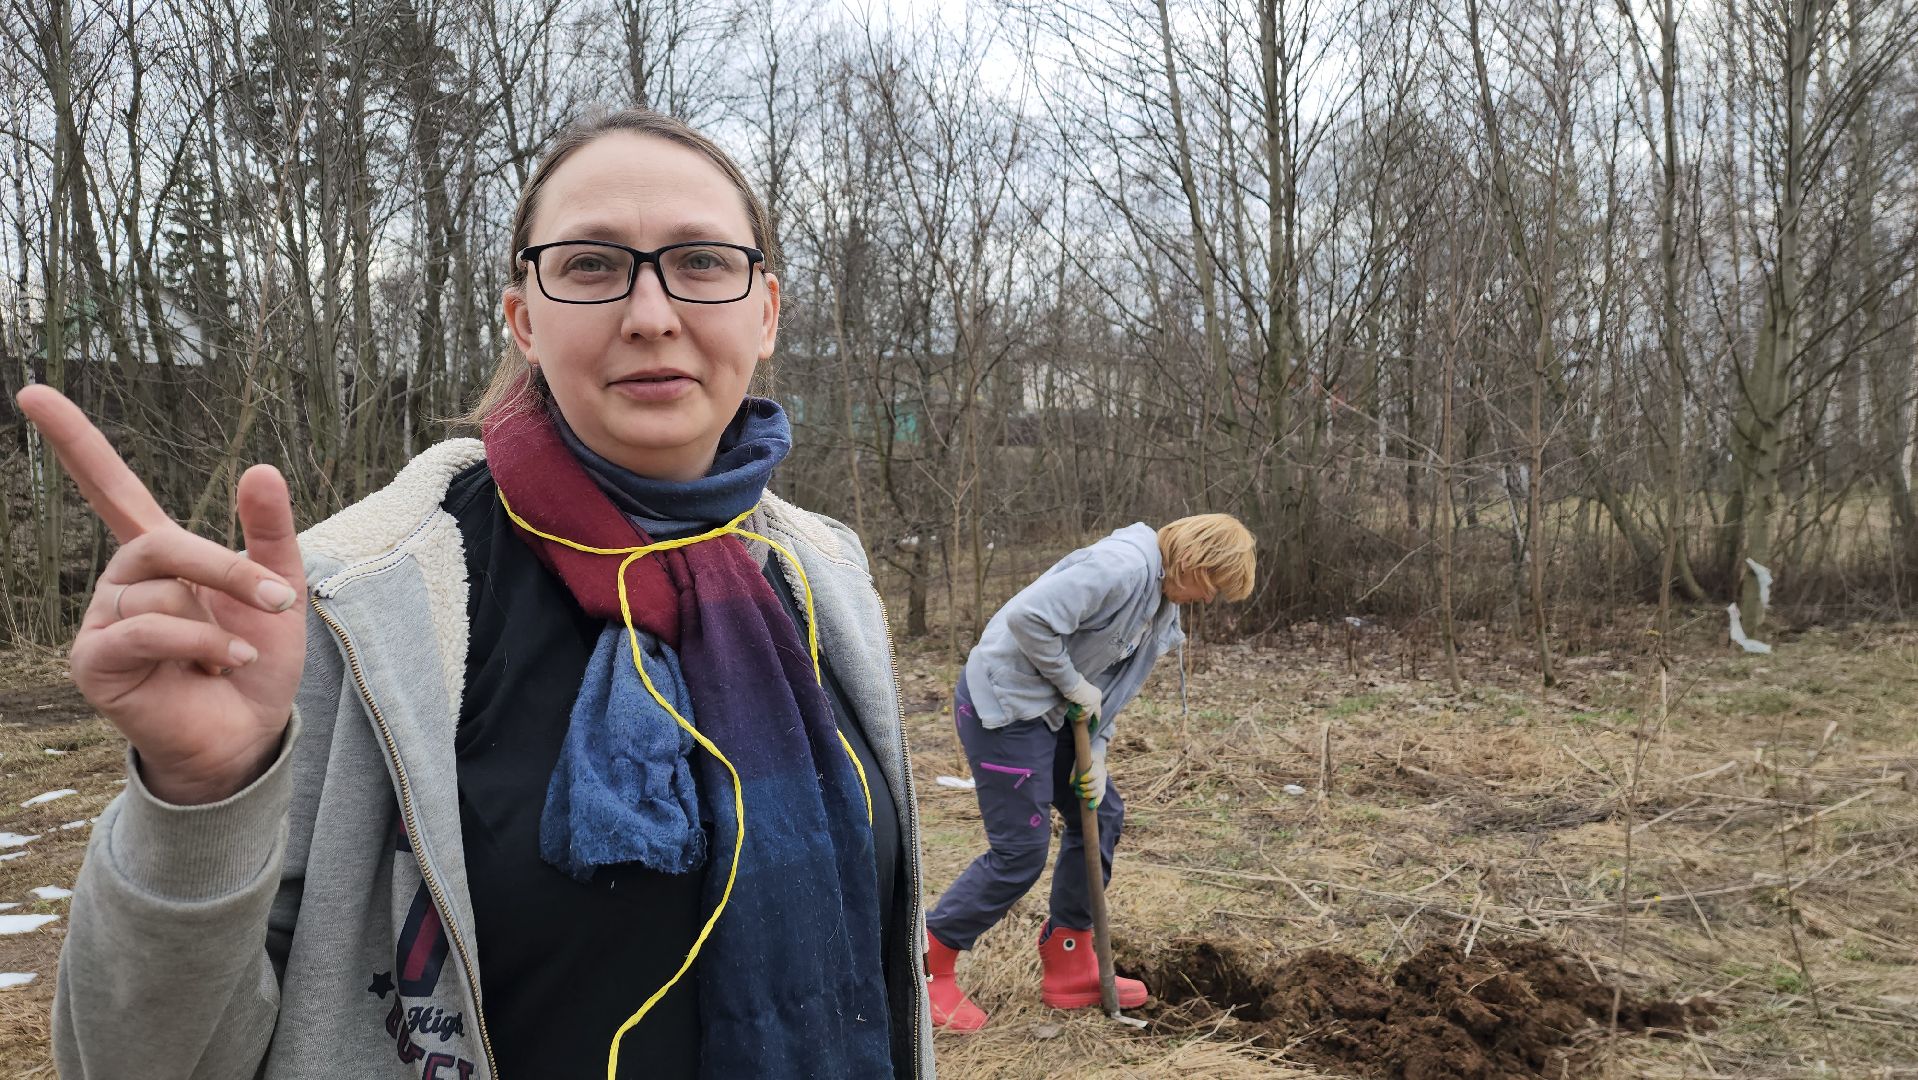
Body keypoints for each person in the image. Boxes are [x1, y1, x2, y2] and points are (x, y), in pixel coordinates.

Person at [26, 107, 932, 1080]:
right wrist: (198, 800)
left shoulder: (819, 575)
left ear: (765, 311)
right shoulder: (346, 609)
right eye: (590, 264)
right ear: (522, 319)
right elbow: (129, 1061)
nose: (652, 313)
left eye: (702, 261)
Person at [923, 515, 1255, 1031]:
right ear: (1194, 559)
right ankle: (927, 962)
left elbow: (1110, 691)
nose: (1208, 600)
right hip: (1007, 705)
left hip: (1054, 715)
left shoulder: (1161, 608)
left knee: (1100, 812)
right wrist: (1071, 682)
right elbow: (1030, 619)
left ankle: (1070, 958)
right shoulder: (1119, 567)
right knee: (1020, 853)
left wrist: (1097, 749)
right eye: (1211, 585)